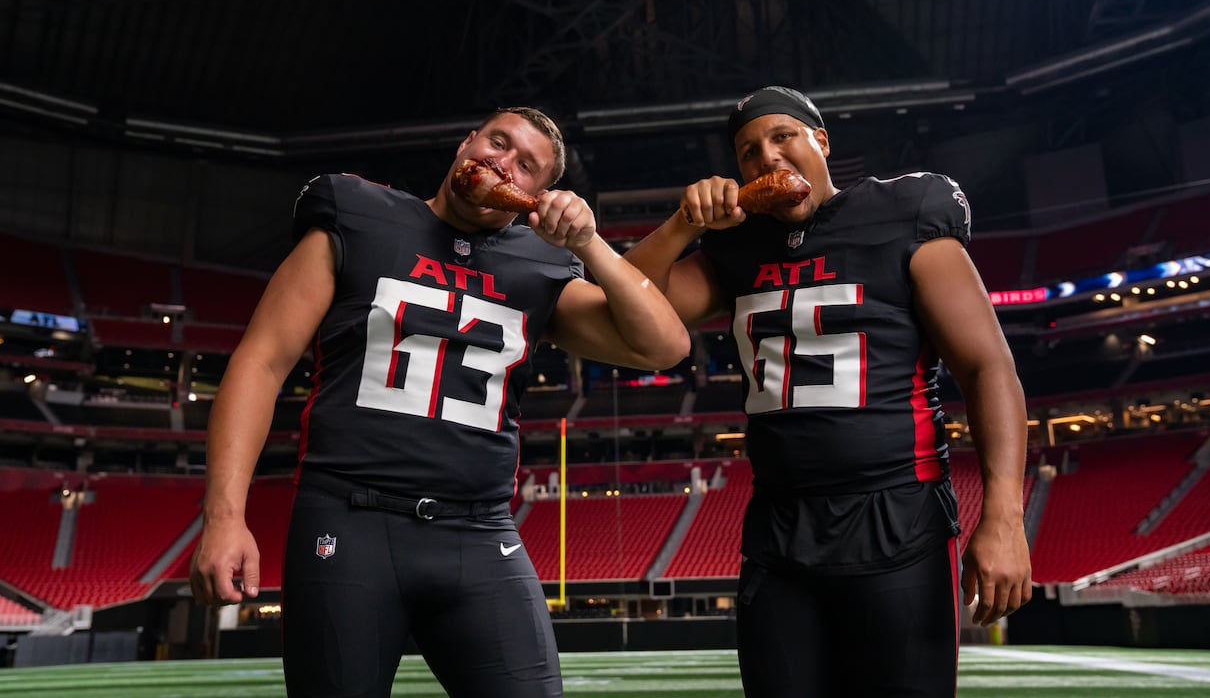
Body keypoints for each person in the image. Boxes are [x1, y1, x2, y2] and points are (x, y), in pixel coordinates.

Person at [189, 106, 691, 698]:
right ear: (466, 142)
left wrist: (592, 245)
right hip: (351, 523)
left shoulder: (542, 266)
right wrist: (224, 516)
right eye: (497, 142)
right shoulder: (360, 217)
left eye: (525, 166)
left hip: (479, 534)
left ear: (536, 195)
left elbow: (665, 347)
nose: (501, 162)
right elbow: (262, 361)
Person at [625, 86, 1032, 697]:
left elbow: (988, 368)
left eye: (782, 136)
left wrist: (1003, 518)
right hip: (780, 532)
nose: (766, 156)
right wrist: (683, 224)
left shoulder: (906, 214)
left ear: (821, 141)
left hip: (897, 520)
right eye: (748, 151)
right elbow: (622, 308)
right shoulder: (734, 248)